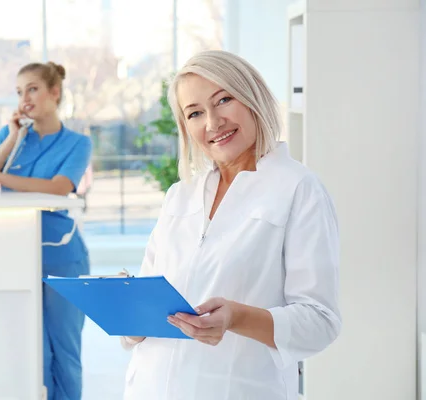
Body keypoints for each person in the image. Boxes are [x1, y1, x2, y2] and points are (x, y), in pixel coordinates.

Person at [121, 50, 341, 400]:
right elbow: (141, 327)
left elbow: (320, 322)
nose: (213, 122)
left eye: (223, 99)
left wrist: (236, 317)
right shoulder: (180, 196)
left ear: (253, 97)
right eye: (194, 113)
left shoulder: (297, 188)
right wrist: (127, 310)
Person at [0, 62, 92, 400]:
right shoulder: (12, 139)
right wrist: (11, 138)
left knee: (65, 349)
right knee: (33, 351)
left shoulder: (78, 143)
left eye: (33, 88)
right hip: (16, 251)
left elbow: (58, 187)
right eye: (20, 91)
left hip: (63, 256)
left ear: (55, 93)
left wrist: (1, 179)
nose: (25, 98)